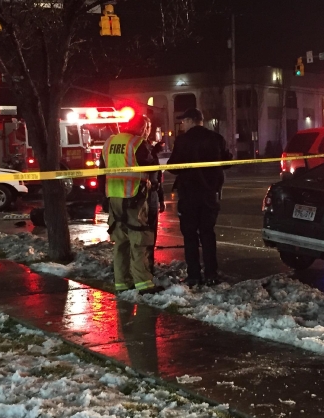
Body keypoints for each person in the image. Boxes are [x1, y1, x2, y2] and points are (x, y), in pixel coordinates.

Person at [167, 108, 233, 286]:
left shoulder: (182, 140)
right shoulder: (216, 138)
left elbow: (172, 167)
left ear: (190, 120)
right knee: (208, 234)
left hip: (189, 194)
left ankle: (194, 275)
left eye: (183, 121)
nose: (182, 124)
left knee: (190, 236)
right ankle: (211, 274)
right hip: (210, 194)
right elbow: (227, 160)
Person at [99, 115, 162, 295]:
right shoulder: (138, 143)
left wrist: (103, 197)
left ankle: (122, 282)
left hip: (114, 196)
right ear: (142, 128)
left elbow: (101, 171)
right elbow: (150, 167)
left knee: (120, 240)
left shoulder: (109, 142)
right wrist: (155, 150)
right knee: (139, 239)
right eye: (147, 128)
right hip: (134, 195)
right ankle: (143, 283)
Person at [143, 121, 165, 273]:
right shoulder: (139, 146)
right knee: (145, 234)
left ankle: (147, 266)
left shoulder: (147, 146)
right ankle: (145, 268)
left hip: (151, 194)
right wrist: (154, 153)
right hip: (142, 196)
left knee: (149, 234)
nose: (147, 130)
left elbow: (157, 175)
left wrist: (161, 198)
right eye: (146, 127)